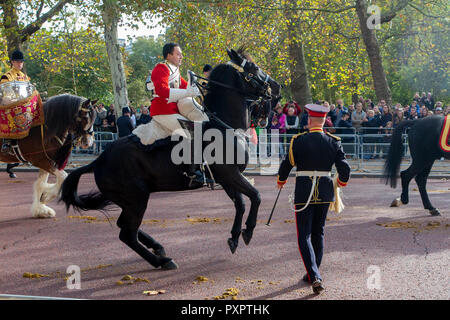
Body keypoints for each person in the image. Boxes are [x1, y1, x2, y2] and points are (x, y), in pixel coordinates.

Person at [276, 103, 351, 294]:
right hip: (325, 191)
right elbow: (345, 169)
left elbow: (287, 164)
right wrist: (341, 183)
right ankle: (313, 272)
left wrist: (281, 180)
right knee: (319, 232)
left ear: (309, 120)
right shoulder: (334, 141)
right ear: (325, 121)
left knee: (305, 234)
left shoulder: (298, 140)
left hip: (303, 190)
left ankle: (314, 275)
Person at [148, 42, 209, 184]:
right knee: (193, 131)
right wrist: (188, 91)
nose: (181, 56)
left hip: (172, 111)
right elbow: (162, 91)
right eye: (178, 54)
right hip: (163, 111)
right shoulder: (161, 68)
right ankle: (193, 172)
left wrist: (204, 87)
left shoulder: (173, 70)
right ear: (169, 55)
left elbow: (185, 87)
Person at [1, 50, 31, 153]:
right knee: (13, 113)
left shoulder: (25, 77)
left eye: (21, 62)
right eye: (17, 61)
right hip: (10, 103)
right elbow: (5, 94)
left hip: (24, 103)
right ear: (12, 62)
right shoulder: (7, 76)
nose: (20, 64)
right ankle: (7, 141)